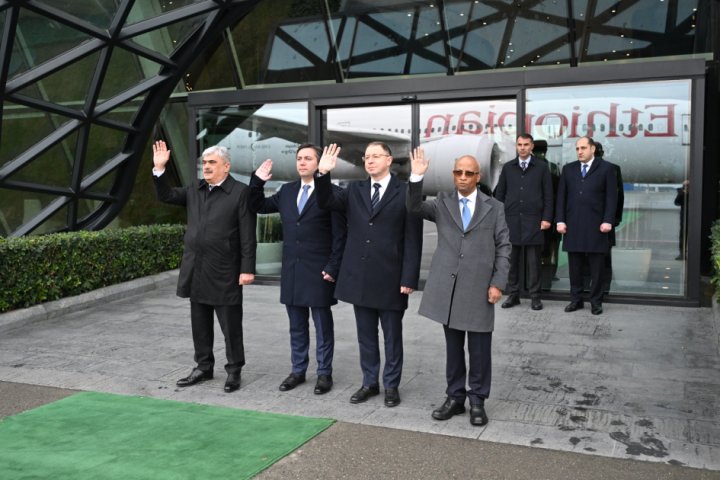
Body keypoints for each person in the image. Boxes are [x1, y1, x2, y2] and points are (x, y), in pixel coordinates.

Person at [407, 149, 511, 426]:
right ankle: (455, 398)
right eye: (458, 172)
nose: (462, 177)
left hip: (480, 289)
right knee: (453, 349)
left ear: (478, 176)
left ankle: (477, 401)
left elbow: (504, 246)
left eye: (468, 173)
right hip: (449, 290)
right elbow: (413, 207)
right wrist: (416, 176)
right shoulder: (442, 203)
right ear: (453, 175)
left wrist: (498, 283)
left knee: (479, 350)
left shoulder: (494, 207)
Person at [315, 142, 423, 408]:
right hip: (360, 277)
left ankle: (391, 385)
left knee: (392, 337)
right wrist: (323, 174)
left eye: (376, 156)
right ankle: (370, 382)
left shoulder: (404, 191)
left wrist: (409, 278)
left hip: (391, 278)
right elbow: (326, 201)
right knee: (366, 335)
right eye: (366, 157)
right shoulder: (355, 190)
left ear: (389, 160)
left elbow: (413, 238)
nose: (370, 160)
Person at [152, 140, 256, 393]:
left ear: (226, 167)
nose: (206, 167)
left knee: (230, 326)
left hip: (225, 270)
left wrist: (247, 268)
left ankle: (234, 370)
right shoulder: (195, 189)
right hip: (196, 268)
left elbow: (247, 234)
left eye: (212, 163)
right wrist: (159, 169)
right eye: (204, 163)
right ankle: (203, 367)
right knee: (199, 323)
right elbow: (166, 195)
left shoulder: (239, 192)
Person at [248, 144, 347, 395]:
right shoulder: (287, 190)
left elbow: (340, 236)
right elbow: (258, 205)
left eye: (308, 158)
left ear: (319, 163)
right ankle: (298, 370)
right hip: (293, 269)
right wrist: (257, 181)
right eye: (299, 158)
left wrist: (333, 266)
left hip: (320, 270)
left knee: (322, 325)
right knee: (296, 325)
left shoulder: (333, 194)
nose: (302, 162)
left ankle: (324, 373)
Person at [556, 136, 617, 315]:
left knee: (596, 269)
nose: (579, 152)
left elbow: (612, 198)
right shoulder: (568, 169)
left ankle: (596, 302)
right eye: (577, 149)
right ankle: (576, 300)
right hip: (573, 226)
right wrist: (560, 220)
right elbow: (561, 197)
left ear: (593, 149)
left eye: (583, 148)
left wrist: (608, 220)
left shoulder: (607, 169)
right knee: (574, 268)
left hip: (597, 227)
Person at [494, 134, 553, 311]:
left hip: (534, 221)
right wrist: (499, 218)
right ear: (516, 146)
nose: (522, 148)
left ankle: (535, 297)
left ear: (532, 146)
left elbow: (548, 195)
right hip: (511, 221)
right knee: (512, 262)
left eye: (526, 144)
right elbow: (500, 194)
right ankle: (513, 295)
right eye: (519, 144)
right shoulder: (508, 168)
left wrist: (546, 218)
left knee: (534, 263)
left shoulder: (542, 167)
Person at [594, 142, 624, 296]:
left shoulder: (612, 168)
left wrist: (614, 219)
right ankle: (594, 288)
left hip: (606, 220)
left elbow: (618, 197)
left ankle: (604, 288)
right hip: (590, 221)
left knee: (604, 257)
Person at [674, 180, 689, 260]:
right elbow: (676, 202)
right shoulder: (681, 192)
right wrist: (683, 193)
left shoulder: (695, 192)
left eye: (688, 185)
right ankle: (682, 253)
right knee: (683, 235)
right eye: (685, 185)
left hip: (693, 216)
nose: (686, 187)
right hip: (684, 216)